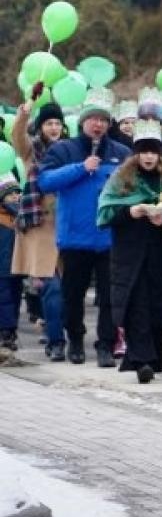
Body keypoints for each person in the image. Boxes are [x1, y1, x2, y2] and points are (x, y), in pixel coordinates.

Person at [37, 87, 128, 366]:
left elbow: (135, 187)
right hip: (75, 237)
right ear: (82, 122)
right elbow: (45, 182)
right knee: (72, 296)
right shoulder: (63, 149)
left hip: (110, 237)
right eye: (93, 119)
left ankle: (105, 344)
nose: (98, 124)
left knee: (110, 297)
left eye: (103, 119)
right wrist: (81, 168)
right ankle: (75, 339)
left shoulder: (121, 152)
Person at [97, 121, 162, 384]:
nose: (148, 156)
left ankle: (153, 358)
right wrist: (131, 211)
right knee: (136, 305)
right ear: (136, 153)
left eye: (153, 151)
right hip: (130, 254)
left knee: (157, 306)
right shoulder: (121, 179)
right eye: (143, 151)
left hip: (159, 254)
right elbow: (106, 211)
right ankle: (142, 361)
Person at [8, 100, 65, 362]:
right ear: (41, 127)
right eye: (48, 123)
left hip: (70, 224)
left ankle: (68, 332)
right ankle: (56, 340)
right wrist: (22, 116)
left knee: (68, 288)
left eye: (57, 123)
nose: (54, 127)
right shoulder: (33, 152)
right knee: (51, 286)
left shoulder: (71, 150)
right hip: (41, 226)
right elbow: (17, 138)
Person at [0, 175, 22, 365]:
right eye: (10, 194)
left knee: (14, 299)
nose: (15, 196)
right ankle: (6, 332)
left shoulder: (19, 215)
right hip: (3, 267)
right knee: (5, 299)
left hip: (16, 266)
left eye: (17, 193)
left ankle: (11, 330)